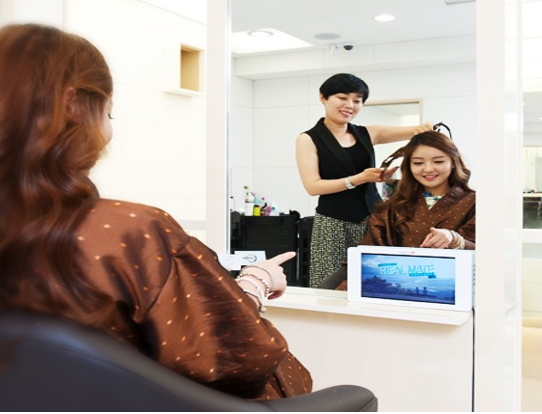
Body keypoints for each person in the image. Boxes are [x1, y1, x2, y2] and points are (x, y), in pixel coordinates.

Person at [0, 23, 311, 400]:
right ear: (74, 106)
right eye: (109, 115)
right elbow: (238, 360)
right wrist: (255, 283)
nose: (108, 132)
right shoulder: (128, 233)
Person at [295, 73, 433, 287]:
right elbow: (313, 186)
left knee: (374, 281)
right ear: (323, 97)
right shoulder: (308, 139)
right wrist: (360, 178)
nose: (349, 105)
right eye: (342, 98)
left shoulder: (368, 133)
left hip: (372, 218)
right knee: (327, 286)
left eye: (357, 100)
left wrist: (426, 128)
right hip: (332, 223)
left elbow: (415, 131)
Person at [319, 130, 475, 290]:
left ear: (453, 162)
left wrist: (455, 240)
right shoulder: (391, 207)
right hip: (394, 287)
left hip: (452, 288)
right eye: (418, 163)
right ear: (409, 166)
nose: (428, 169)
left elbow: (486, 254)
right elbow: (369, 252)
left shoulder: (476, 203)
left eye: (438, 161)